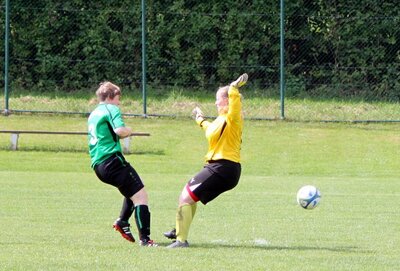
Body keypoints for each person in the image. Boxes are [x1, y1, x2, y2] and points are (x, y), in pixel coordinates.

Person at [164, 73, 248, 248]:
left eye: (218, 99)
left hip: (223, 167)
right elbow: (210, 129)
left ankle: (180, 240)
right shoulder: (221, 120)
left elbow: (235, 105)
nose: (216, 103)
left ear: (226, 101)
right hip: (222, 168)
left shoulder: (233, 117)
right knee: (190, 197)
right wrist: (200, 120)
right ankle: (179, 231)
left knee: (185, 196)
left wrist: (233, 88)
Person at [87, 81, 157, 247]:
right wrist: (129, 130)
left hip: (98, 165)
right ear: (111, 97)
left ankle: (122, 222)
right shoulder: (111, 109)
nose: (119, 103)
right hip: (112, 160)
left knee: (132, 191)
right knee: (141, 196)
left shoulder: (94, 113)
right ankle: (145, 240)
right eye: (118, 98)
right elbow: (120, 131)